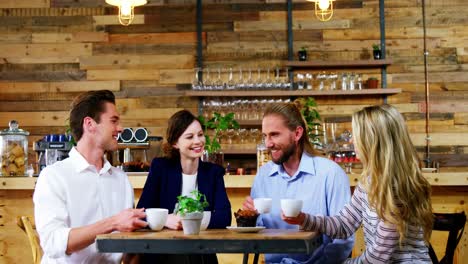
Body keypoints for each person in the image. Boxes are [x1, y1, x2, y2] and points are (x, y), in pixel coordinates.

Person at [283, 104, 434, 263]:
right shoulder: (370, 181)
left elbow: (379, 257)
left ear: (372, 141)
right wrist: (303, 219)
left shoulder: (395, 188)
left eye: (356, 135)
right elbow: (343, 225)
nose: (352, 140)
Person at [33, 90, 147, 263]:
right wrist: (112, 223)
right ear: (90, 124)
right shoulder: (54, 176)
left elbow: (127, 247)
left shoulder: (120, 179)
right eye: (113, 121)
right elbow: (53, 242)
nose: (121, 128)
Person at [243, 102, 354, 264]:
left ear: (297, 133)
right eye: (264, 136)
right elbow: (256, 236)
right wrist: (249, 217)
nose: (268, 143)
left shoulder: (331, 174)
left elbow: (343, 241)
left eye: (274, 134)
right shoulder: (264, 175)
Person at [136, 109, 231, 263]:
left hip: (200, 254)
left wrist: (189, 219)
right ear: (175, 143)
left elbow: (224, 217)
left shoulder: (213, 172)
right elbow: (142, 212)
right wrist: (165, 219)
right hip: (163, 253)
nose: (198, 141)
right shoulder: (161, 168)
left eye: (200, 135)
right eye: (189, 137)